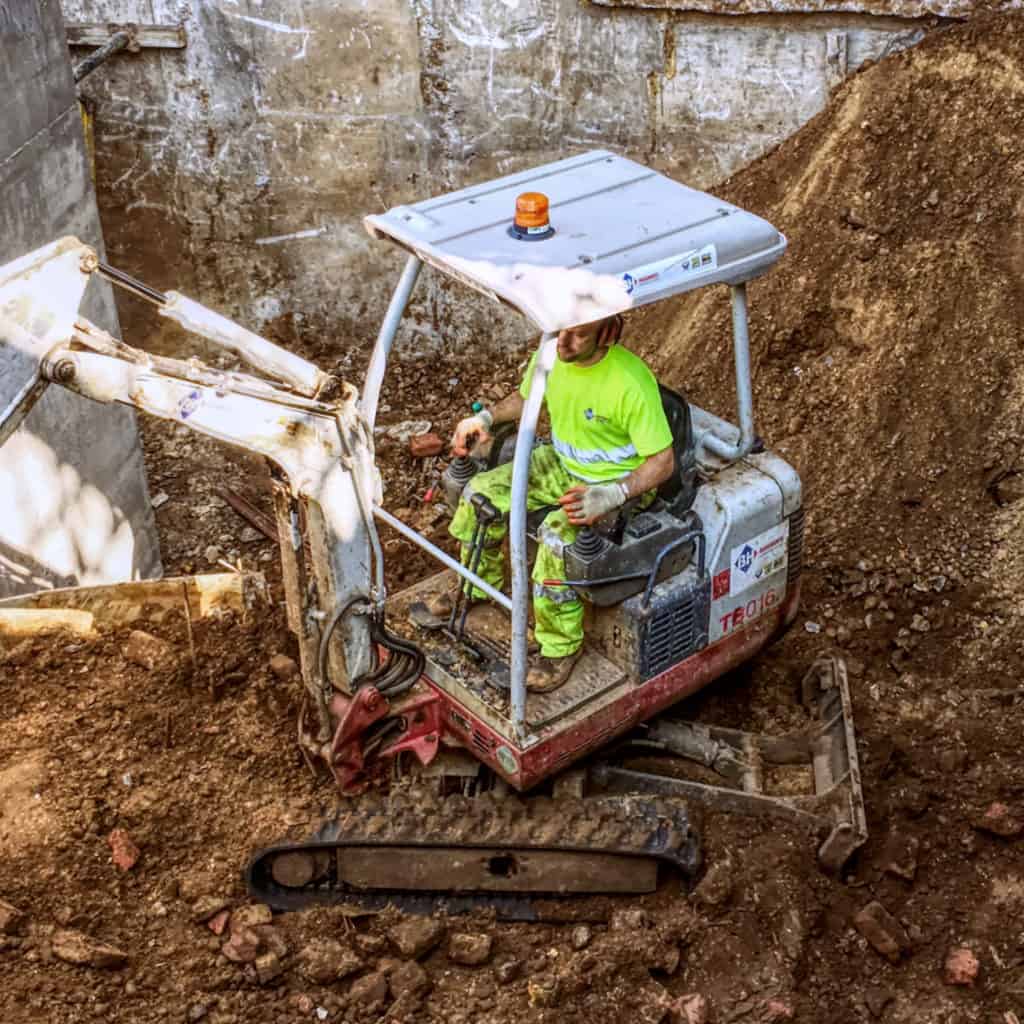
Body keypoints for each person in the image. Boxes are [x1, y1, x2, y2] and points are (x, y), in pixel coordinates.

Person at [433, 315, 675, 693]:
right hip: (563, 465)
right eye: (561, 331)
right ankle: (477, 587)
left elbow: (662, 461)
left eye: (578, 335)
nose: (563, 343)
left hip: (616, 483)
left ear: (609, 333)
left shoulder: (630, 381)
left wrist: (615, 494)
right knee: (480, 492)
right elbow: (527, 398)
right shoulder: (552, 354)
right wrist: (485, 418)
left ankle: (559, 647)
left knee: (556, 541)